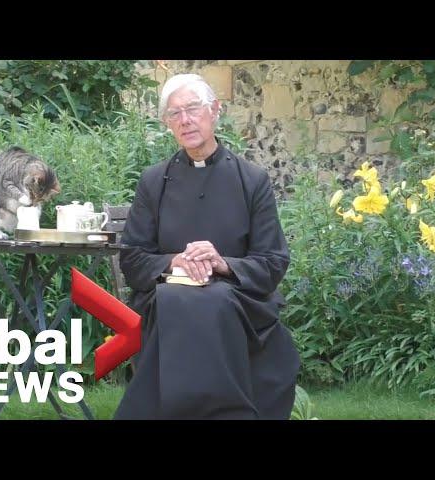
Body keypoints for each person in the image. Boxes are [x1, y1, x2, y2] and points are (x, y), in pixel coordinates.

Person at [113, 73, 300, 420]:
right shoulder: (154, 182)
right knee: (182, 301)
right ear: (168, 123)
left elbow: (273, 261)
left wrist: (222, 264)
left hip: (237, 301)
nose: (185, 120)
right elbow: (133, 259)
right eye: (175, 114)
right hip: (166, 296)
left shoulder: (252, 181)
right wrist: (175, 261)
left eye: (193, 109)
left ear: (214, 111)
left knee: (215, 299)